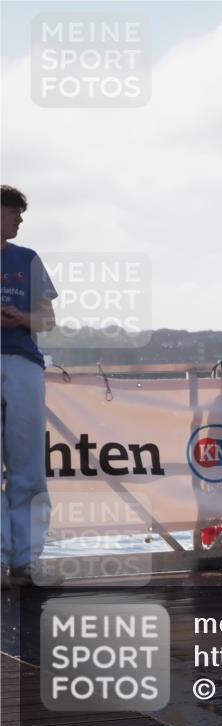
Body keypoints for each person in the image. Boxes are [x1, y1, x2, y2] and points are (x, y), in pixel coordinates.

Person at [1, 185, 58, 587]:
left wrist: (21, 317)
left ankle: (25, 560)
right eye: (14, 212)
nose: (20, 220)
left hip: (22, 364)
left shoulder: (28, 258)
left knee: (27, 468)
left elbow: (48, 320)